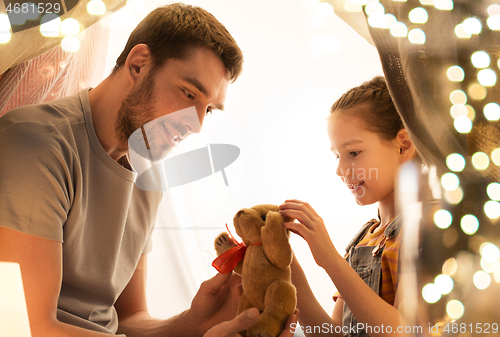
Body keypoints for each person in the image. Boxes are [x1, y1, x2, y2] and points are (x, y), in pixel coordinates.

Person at [0, 3, 296, 336]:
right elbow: (28, 327)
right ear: (139, 64)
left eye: (208, 110)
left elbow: (128, 320)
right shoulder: (34, 143)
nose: (196, 125)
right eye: (188, 94)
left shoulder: (148, 177)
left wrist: (195, 323)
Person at [279, 76, 417, 337]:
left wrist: (330, 259)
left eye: (353, 153)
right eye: (337, 156)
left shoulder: (430, 229)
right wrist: (286, 267)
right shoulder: (364, 240)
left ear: (403, 145)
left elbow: (404, 332)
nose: (340, 170)